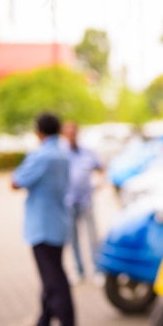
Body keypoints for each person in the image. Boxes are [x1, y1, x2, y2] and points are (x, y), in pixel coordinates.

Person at [12, 112, 75, 326]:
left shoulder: (41, 155)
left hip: (43, 225)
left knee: (54, 279)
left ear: (38, 131)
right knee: (51, 276)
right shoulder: (63, 152)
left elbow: (15, 181)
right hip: (58, 221)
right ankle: (44, 322)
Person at [61, 120, 104, 281]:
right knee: (73, 238)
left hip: (86, 199)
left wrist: (100, 182)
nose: (71, 134)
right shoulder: (61, 153)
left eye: (73, 131)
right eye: (68, 131)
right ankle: (79, 271)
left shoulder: (87, 152)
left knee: (93, 236)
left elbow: (101, 167)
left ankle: (98, 270)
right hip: (69, 201)